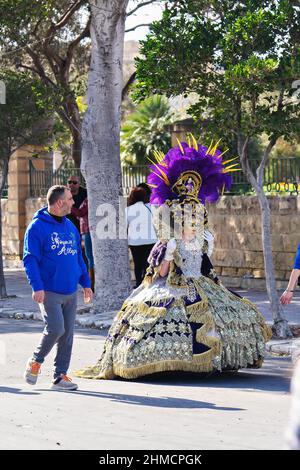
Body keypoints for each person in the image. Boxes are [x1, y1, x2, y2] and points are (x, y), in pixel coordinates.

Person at [75, 138, 271, 380]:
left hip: (200, 281)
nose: (193, 223)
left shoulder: (201, 240)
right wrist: (169, 251)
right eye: (188, 219)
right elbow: (163, 272)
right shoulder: (168, 242)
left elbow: (205, 266)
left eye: (196, 219)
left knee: (234, 311)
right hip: (171, 285)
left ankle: (209, 360)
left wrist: (202, 251)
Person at [23, 185, 93, 390]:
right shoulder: (36, 227)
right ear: (60, 202)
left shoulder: (70, 227)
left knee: (67, 335)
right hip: (49, 291)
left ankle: (60, 376)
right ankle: (35, 361)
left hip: (70, 290)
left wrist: (86, 284)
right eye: (70, 199)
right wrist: (37, 287)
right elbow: (29, 259)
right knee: (56, 328)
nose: (74, 202)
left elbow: (78, 257)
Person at [126, 186, 158, 287]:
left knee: (137, 263)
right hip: (151, 240)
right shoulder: (152, 208)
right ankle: (148, 283)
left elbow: (124, 225)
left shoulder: (128, 210)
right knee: (148, 263)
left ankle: (139, 283)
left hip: (135, 242)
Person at [71, 198, 95, 291]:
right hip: (87, 230)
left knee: (90, 258)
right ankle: (91, 282)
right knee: (89, 257)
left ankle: (92, 283)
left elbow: (80, 213)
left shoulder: (89, 200)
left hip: (88, 230)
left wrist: (70, 207)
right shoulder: (88, 199)